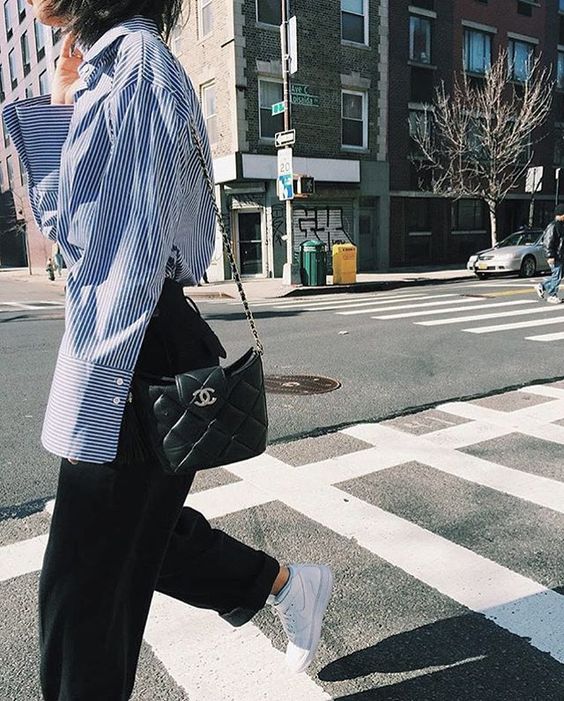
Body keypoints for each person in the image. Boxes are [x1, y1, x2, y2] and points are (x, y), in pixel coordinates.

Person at [3, 2, 333, 699]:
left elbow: (124, 256)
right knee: (130, 548)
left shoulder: (134, 67)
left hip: (132, 340)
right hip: (137, 333)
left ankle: (285, 583)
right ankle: (284, 583)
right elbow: (77, 234)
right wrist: (63, 101)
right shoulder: (104, 67)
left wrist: (95, 393)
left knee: (83, 594)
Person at [536, 204, 564, 304]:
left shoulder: (560, 226)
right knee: (557, 275)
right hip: (556, 256)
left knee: (558, 275)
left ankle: (543, 286)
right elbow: (548, 242)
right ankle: (552, 295)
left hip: (560, 256)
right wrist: (550, 256)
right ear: (560, 214)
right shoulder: (553, 226)